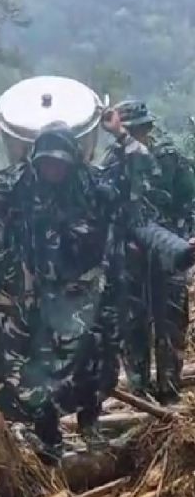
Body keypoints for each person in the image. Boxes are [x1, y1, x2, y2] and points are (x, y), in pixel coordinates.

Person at [0, 108, 193, 460]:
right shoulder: (17, 183)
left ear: (74, 159)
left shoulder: (92, 185)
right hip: (36, 300)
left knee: (95, 362)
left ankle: (90, 424)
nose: (54, 169)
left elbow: (142, 174)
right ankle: (48, 437)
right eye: (48, 162)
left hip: (88, 297)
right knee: (38, 371)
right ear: (37, 159)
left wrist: (121, 135)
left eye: (61, 162)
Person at [102, 100, 194, 404]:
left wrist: (188, 237)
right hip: (128, 255)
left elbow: (189, 197)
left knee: (170, 319)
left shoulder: (169, 158)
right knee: (132, 322)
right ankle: (139, 391)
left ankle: (169, 390)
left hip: (170, 250)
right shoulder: (113, 161)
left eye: (137, 129)